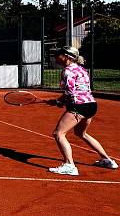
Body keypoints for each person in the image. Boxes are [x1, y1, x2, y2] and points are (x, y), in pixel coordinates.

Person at [49, 46, 117, 176]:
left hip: (78, 106)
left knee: (58, 134)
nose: (56, 57)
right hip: (91, 105)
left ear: (67, 57)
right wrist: (60, 101)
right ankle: (107, 160)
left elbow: (70, 92)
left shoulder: (67, 71)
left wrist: (59, 102)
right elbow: (80, 89)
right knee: (81, 133)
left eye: (59, 55)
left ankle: (70, 165)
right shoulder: (82, 69)